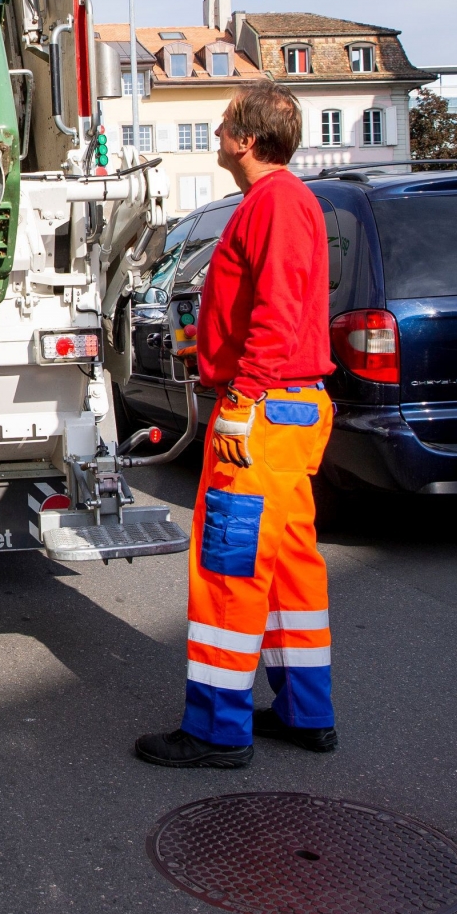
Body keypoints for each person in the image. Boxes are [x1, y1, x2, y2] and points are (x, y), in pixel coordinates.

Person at [135, 82, 338, 769]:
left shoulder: (274, 205)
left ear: (246, 140)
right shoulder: (282, 202)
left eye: (221, 124)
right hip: (286, 407)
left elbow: (277, 315)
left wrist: (243, 399)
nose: (216, 131)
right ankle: (306, 712)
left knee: (229, 563)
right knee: (287, 566)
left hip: (265, 408)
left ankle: (218, 729)